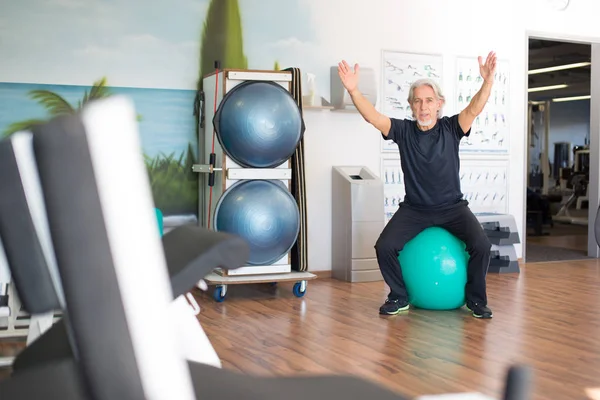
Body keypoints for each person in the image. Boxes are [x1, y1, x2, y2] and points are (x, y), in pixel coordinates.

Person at [337, 52, 497, 319]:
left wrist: (488, 81)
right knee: (385, 246)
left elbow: (474, 108)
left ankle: (476, 301)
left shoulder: (452, 128)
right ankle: (398, 296)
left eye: (429, 101)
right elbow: (373, 117)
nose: (423, 107)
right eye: (418, 101)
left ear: (439, 104)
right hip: (415, 209)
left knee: (481, 245)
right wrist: (354, 91)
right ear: (411, 106)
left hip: (453, 208)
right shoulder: (403, 131)